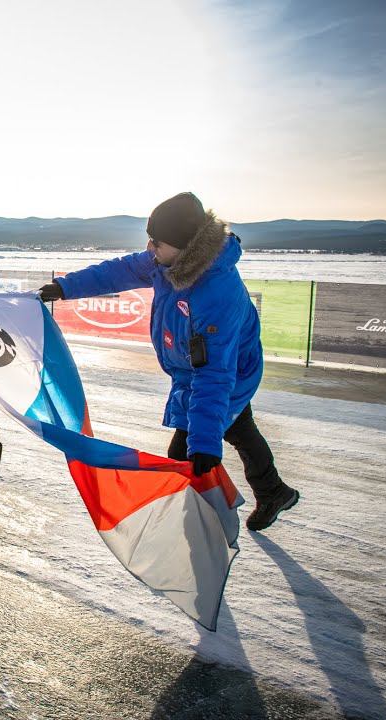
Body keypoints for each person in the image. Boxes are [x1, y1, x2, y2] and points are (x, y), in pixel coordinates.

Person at [36, 192, 299, 532]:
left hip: (229, 371)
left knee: (186, 453)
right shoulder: (166, 261)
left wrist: (204, 444)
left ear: (185, 244)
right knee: (239, 427)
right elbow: (118, 271)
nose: (150, 247)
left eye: (157, 242)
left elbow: (214, 374)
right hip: (195, 369)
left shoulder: (215, 293)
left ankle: (192, 530)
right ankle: (273, 491)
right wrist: (65, 287)